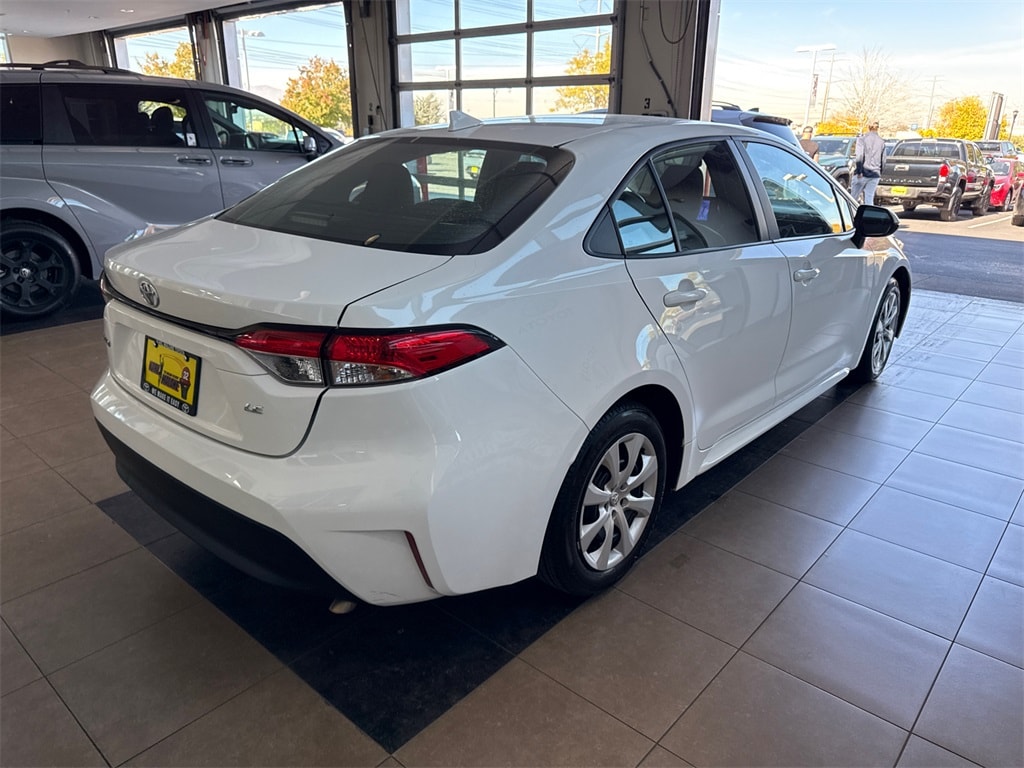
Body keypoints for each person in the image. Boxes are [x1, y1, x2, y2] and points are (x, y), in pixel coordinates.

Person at [851, 121, 886, 205]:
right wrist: (880, 172)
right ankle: (867, 216)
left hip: (863, 172)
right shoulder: (881, 141)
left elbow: (859, 156)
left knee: (853, 198)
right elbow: (883, 160)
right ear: (878, 128)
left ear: (868, 127)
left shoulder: (862, 139)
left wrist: (859, 171)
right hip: (875, 173)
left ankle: (850, 215)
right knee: (869, 198)